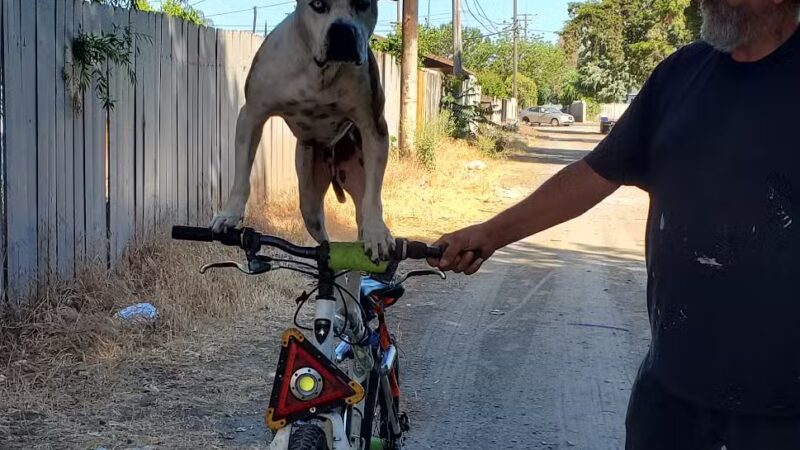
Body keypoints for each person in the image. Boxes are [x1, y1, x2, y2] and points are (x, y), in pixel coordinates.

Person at [427, 0, 800, 448]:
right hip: (672, 388)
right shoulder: (679, 76)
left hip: (783, 406)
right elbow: (592, 176)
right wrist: (489, 234)